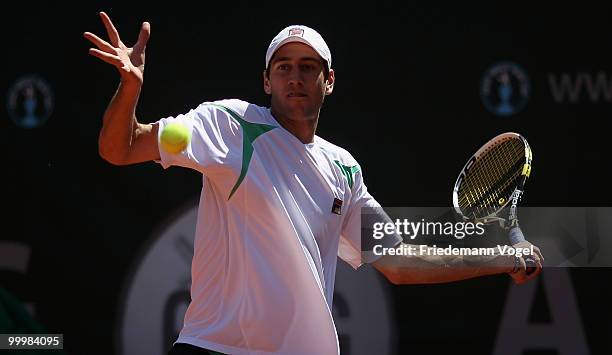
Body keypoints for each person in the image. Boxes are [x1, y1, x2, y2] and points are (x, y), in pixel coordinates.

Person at [84, 12, 543, 355]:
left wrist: (500, 257)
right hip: (214, 350)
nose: (295, 76)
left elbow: (400, 263)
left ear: (330, 80)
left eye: (308, 67)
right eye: (283, 67)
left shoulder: (343, 170)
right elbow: (119, 149)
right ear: (266, 80)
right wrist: (129, 90)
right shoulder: (229, 126)